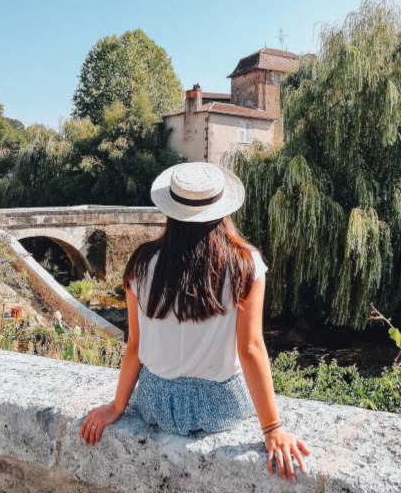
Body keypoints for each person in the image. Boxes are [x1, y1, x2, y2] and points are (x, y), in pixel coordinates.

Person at [80, 162, 310, 482]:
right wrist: (272, 429)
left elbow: (135, 345)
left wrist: (118, 406)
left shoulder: (141, 263)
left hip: (157, 403)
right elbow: (250, 348)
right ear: (223, 209)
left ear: (170, 210)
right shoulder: (245, 265)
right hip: (221, 406)